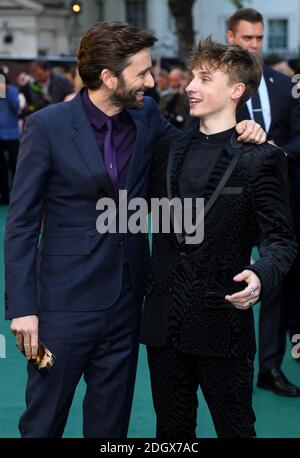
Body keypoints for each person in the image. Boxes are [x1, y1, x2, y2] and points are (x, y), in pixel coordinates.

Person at [4, 21, 265, 438]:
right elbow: (19, 224)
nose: (151, 80)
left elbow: (194, 145)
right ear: (109, 77)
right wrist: (22, 309)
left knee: (111, 425)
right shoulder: (47, 126)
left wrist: (244, 129)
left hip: (127, 303)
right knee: (43, 421)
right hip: (62, 302)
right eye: (142, 72)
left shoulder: (147, 119)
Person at [139, 38, 297, 438]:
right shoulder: (167, 149)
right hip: (164, 326)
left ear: (236, 90)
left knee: (237, 430)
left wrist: (260, 274)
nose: (191, 85)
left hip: (222, 322)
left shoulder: (261, 158)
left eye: (204, 78)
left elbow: (281, 240)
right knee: (171, 434)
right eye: (192, 76)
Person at [227, 7, 300, 394]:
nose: (254, 45)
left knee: (274, 281)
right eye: (247, 38)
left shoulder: (283, 83)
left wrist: (276, 151)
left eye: (259, 38)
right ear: (231, 38)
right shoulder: (215, 85)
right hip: (230, 201)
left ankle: (269, 367)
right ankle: (224, 364)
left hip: (278, 200)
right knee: (226, 277)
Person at [0, 66, 20, 204]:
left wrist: (5, 92)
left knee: (16, 165)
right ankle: (4, 194)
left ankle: (17, 194)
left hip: (12, 134)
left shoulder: (12, 91)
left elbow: (16, 107)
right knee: (1, 167)